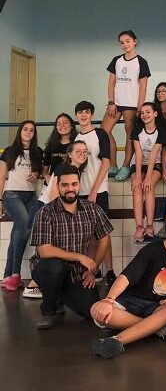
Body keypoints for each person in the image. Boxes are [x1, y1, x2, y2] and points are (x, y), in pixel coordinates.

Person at [90, 207, 166, 359]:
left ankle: (117, 341)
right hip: (130, 301)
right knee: (96, 310)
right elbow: (126, 277)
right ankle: (157, 329)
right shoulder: (153, 249)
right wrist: (109, 300)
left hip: (156, 307)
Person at [30, 165, 113, 330]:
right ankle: (48, 311)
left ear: (79, 184)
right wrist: (80, 257)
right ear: (57, 186)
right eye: (65, 185)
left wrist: (92, 269)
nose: (70, 189)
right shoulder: (45, 212)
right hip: (46, 268)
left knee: (90, 311)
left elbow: (105, 239)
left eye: (74, 184)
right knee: (55, 267)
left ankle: (58, 294)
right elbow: (44, 251)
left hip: (77, 273)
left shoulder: (92, 209)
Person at [24, 113, 78, 298]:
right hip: (50, 198)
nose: (61, 125)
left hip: (60, 195)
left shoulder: (75, 148)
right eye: (58, 123)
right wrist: (50, 181)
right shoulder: (53, 148)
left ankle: (50, 282)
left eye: (65, 122)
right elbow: (46, 171)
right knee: (45, 243)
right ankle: (34, 283)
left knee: (55, 243)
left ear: (72, 126)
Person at [74, 100, 116, 286]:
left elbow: (106, 163)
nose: (83, 115)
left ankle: (110, 271)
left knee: (103, 233)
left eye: (86, 112)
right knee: (89, 234)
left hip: (98, 191)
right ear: (76, 116)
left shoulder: (100, 134)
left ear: (91, 114)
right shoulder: (75, 138)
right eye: (80, 112)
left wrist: (93, 191)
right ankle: (93, 269)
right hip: (80, 192)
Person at [101, 30, 151, 181]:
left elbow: (143, 87)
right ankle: (113, 165)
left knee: (130, 135)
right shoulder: (116, 60)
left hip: (131, 104)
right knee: (104, 132)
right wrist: (111, 102)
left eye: (128, 41)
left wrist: (139, 107)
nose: (125, 45)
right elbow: (111, 83)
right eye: (122, 42)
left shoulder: (141, 62)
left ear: (135, 41)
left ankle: (126, 165)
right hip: (116, 104)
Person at [0, 121, 43, 292]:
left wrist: (36, 173)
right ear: (20, 131)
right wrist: (0, 200)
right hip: (12, 195)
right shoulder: (9, 151)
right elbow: (1, 176)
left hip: (30, 196)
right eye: (25, 129)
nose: (28, 132)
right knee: (25, 228)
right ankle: (16, 274)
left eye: (32, 130)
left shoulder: (37, 152)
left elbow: (40, 171)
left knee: (17, 233)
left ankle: (7, 276)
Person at [130, 102, 166, 243]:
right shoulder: (137, 129)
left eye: (148, 112)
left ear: (155, 114)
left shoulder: (161, 130)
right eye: (142, 113)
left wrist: (147, 178)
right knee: (137, 188)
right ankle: (139, 227)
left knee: (148, 187)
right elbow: (138, 154)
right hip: (138, 164)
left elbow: (153, 154)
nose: (144, 115)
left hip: (154, 164)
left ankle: (150, 226)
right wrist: (138, 177)